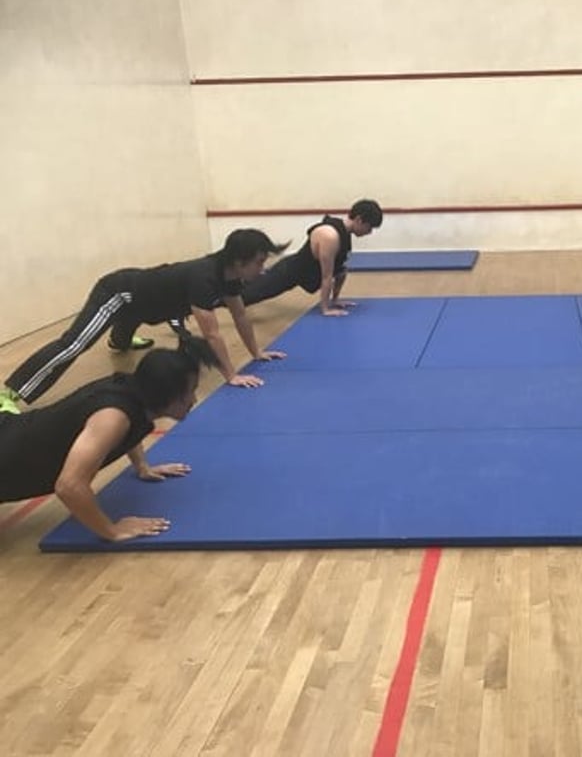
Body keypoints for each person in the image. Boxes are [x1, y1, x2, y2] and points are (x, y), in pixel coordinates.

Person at [0, 229, 287, 409]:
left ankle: (120, 338)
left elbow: (240, 316)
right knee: (74, 344)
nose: (263, 269)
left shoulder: (231, 277)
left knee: (123, 338)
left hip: (147, 306)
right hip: (120, 293)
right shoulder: (205, 278)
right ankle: (11, 392)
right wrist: (232, 375)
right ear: (239, 261)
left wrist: (257, 352)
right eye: (259, 262)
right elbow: (211, 334)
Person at [0, 336, 218, 541]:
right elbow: (69, 486)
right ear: (166, 393)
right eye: (190, 391)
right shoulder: (113, 417)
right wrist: (111, 531)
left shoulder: (133, 393)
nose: (194, 399)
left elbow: (133, 423)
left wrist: (142, 466)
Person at [240, 199, 383, 316]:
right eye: (369, 228)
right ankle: (219, 298)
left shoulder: (344, 235)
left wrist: (335, 299)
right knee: (247, 295)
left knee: (249, 289)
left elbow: (340, 272)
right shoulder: (330, 236)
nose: (369, 232)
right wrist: (325, 309)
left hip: (300, 272)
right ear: (359, 220)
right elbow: (326, 276)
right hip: (288, 272)